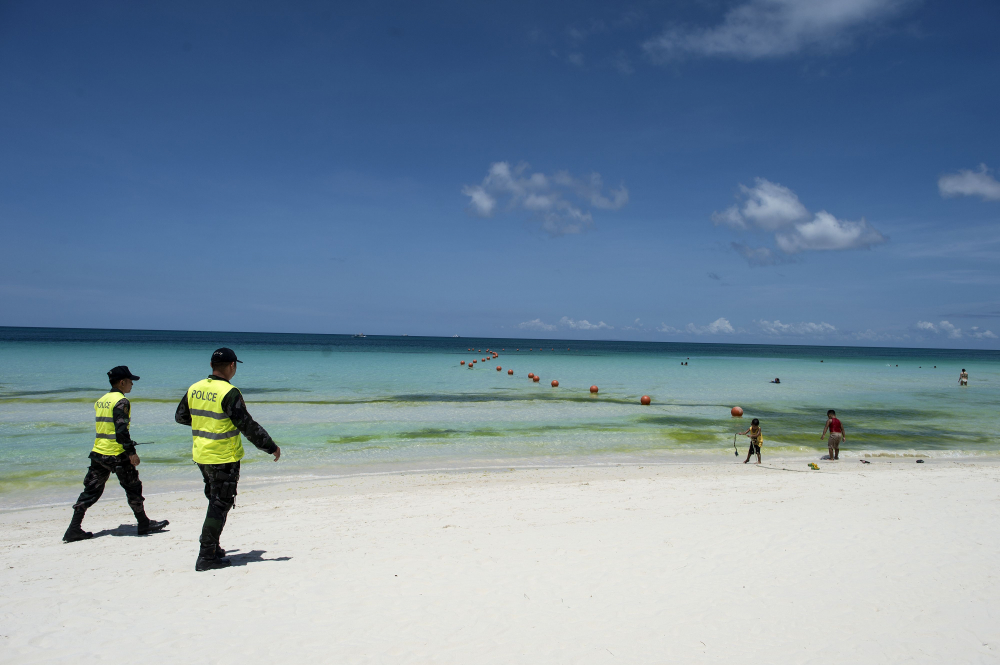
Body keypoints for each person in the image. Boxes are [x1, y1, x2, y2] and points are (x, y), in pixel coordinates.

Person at [175, 348, 281, 572]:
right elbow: (247, 426)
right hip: (224, 456)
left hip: (202, 455)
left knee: (214, 499)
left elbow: (181, 416)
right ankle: (206, 556)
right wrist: (270, 447)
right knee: (220, 503)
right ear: (232, 366)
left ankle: (214, 547)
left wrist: (205, 426)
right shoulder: (229, 392)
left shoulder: (195, 388)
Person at [63, 366, 169, 542]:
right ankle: (143, 523)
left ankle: (73, 529)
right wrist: (131, 452)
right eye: (130, 381)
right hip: (117, 454)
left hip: (98, 452)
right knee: (133, 488)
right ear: (122, 382)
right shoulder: (121, 402)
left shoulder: (101, 400)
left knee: (90, 491)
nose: (132, 384)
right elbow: (121, 431)